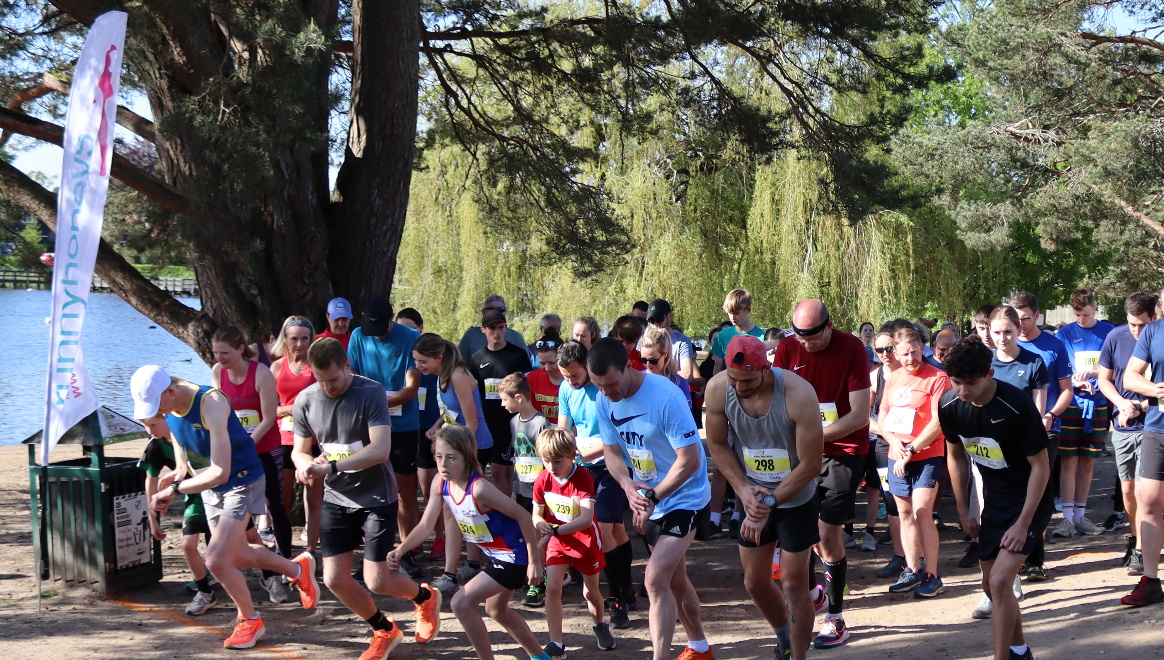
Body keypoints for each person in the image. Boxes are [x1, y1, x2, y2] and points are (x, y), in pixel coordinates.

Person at [131, 365, 318, 650]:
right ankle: (297, 568)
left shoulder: (211, 402)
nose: (159, 413)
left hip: (241, 480)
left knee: (216, 560)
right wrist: (178, 473)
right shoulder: (172, 407)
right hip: (210, 486)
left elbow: (221, 471)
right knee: (239, 555)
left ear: (170, 391)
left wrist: (175, 489)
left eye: (157, 406)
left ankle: (250, 620)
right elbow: (184, 452)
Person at [290, 337, 442, 658]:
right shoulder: (305, 400)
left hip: (376, 495)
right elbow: (299, 451)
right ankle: (384, 629)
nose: (328, 387)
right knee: (333, 579)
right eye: (321, 381)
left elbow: (380, 450)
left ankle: (424, 598)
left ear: (346, 365)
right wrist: (306, 466)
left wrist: (330, 466)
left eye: (333, 379)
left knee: (377, 580)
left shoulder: (370, 392)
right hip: (337, 497)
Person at [590, 337, 714, 660]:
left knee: (654, 578)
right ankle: (699, 646)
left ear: (629, 366)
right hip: (648, 498)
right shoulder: (604, 401)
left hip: (684, 495)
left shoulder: (665, 398)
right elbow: (611, 451)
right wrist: (629, 486)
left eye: (612, 384)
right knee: (675, 580)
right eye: (599, 386)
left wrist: (652, 496)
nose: (608, 393)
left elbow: (690, 460)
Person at [704, 335, 824, 660]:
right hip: (753, 495)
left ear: (766, 368)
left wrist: (769, 503)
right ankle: (784, 635)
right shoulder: (718, 389)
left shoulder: (798, 394)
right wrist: (745, 493)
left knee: (792, 583)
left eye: (747, 381)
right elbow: (716, 445)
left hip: (796, 497)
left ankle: (798, 656)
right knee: (755, 582)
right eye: (733, 379)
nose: (739, 387)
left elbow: (812, 464)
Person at [387, 425, 548, 660]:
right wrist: (401, 549)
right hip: (497, 556)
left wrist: (535, 562)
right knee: (496, 610)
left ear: (467, 457)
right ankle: (540, 657)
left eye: (451, 458)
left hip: (515, 556)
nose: (443, 464)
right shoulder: (440, 483)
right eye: (438, 456)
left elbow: (523, 516)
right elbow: (425, 525)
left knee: (461, 603)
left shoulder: (480, 488)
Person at [941, 336, 1053, 660]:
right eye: (957, 382)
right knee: (991, 585)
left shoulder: (1017, 405)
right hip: (995, 501)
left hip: (1031, 498)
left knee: (1002, 580)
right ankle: (1020, 650)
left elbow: (1041, 467)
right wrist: (962, 510)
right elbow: (956, 456)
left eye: (971, 383)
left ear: (989, 375)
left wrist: (1023, 523)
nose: (963, 391)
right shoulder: (949, 404)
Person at [771, 299, 870, 649]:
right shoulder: (786, 348)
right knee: (804, 531)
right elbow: (777, 400)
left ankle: (836, 618)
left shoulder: (852, 348)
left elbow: (860, 415)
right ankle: (815, 594)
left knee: (828, 536)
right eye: (801, 337)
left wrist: (815, 434)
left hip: (844, 450)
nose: (808, 344)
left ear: (829, 326)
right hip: (800, 453)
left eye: (814, 337)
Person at [210, 325, 293, 604]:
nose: (220, 358)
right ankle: (259, 570)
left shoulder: (259, 373)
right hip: (236, 451)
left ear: (240, 349)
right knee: (238, 509)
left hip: (266, 447)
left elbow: (269, 417)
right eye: (216, 353)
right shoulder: (217, 373)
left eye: (225, 353)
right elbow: (218, 414)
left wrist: (247, 445)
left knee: (275, 504)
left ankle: (288, 565)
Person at [557, 340, 635, 628]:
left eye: (575, 375)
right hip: (584, 469)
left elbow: (620, 431)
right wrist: (561, 449)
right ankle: (626, 589)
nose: (570, 381)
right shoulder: (566, 389)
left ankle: (615, 599)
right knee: (615, 531)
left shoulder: (604, 389)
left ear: (587, 368)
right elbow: (563, 428)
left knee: (601, 531)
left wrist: (593, 451)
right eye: (565, 376)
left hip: (613, 467)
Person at [346, 297, 425, 579]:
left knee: (405, 492)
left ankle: (406, 553)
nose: (376, 333)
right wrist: (371, 407)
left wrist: (376, 402)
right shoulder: (357, 335)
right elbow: (351, 376)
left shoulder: (410, 338)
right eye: (371, 327)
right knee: (369, 491)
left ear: (392, 318)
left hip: (403, 426)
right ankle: (372, 555)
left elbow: (411, 388)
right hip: (368, 427)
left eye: (381, 327)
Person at [411, 333, 494, 597]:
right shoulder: (442, 375)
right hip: (456, 447)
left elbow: (472, 422)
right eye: (416, 361)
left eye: (422, 361)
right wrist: (437, 427)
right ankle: (467, 564)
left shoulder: (457, 375)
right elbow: (450, 412)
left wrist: (454, 451)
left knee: (460, 509)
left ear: (438, 357)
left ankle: (457, 570)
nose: (418, 366)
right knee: (457, 509)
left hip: (472, 447)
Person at [879, 327, 952, 598]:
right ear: (895, 354)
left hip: (927, 455)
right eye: (904, 353)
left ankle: (932, 574)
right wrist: (893, 441)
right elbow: (883, 416)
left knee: (923, 512)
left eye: (914, 351)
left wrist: (912, 447)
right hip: (897, 457)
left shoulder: (938, 378)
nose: (910, 358)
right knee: (904, 514)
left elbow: (938, 421)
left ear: (923, 347)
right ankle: (912, 569)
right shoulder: (893, 378)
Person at [532, 428, 617, 656]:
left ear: (571, 455)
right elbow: (536, 514)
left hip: (585, 541)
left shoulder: (583, 477)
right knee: (552, 589)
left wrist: (553, 533)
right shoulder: (542, 478)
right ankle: (556, 644)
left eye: (556, 461)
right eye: (545, 461)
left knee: (590, 593)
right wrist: (540, 524)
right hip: (557, 542)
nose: (550, 467)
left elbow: (586, 519)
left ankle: (599, 624)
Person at [1012, 291, 1073, 581]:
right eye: (1015, 318)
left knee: (1040, 496)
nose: (1020, 324)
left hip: (1046, 430)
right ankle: (1014, 554)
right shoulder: (1003, 347)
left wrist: (1050, 416)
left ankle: (1034, 558)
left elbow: (1067, 390)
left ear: (1037, 316)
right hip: (1009, 433)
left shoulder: (1054, 346)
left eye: (1025, 318)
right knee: (1014, 493)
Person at [1098, 291, 1159, 576]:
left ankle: (1147, 547)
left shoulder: (1157, 336)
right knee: (1129, 489)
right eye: (1132, 324)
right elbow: (1104, 379)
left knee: (1153, 493)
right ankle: (1136, 543)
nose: (1136, 330)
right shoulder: (1115, 337)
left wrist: (1141, 404)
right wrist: (1122, 403)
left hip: (1153, 423)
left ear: (1154, 317)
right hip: (1123, 426)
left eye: (1142, 324)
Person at [1052, 289, 1114, 537]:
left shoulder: (1108, 332)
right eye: (1077, 315)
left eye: (1086, 315)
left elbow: (1114, 368)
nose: (1081, 320)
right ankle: (1067, 518)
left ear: (1095, 308)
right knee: (1068, 460)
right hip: (1072, 404)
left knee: (1088, 461)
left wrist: (1094, 375)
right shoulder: (1065, 334)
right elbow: (1061, 370)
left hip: (1098, 404)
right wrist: (1076, 383)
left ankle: (1080, 516)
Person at [138, 429, 219, 616]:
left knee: (246, 539)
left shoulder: (192, 433)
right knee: (188, 544)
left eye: (154, 423)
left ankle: (273, 575)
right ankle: (206, 592)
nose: (150, 430)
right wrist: (153, 519)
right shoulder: (155, 445)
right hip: (194, 496)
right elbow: (151, 479)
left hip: (220, 490)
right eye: (145, 424)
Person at [1118, 299, 1164, 606]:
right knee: (1148, 502)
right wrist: (1157, 390)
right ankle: (1150, 579)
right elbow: (1130, 377)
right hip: (1157, 429)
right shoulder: (1153, 331)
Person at [395, 308, 444, 562]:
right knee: (408, 490)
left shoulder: (435, 365)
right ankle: (411, 542)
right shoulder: (408, 362)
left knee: (430, 490)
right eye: (401, 328)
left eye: (411, 329)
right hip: (409, 429)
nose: (407, 334)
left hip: (433, 433)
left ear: (421, 328)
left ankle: (440, 536)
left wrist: (437, 426)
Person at [270, 316, 323, 552]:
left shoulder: (318, 366)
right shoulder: (276, 367)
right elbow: (267, 408)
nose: (299, 344)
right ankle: (283, 548)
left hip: (313, 440)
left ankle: (311, 549)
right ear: (285, 340)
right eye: (294, 339)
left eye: (304, 339)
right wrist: (289, 409)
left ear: (312, 340)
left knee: (313, 498)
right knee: (281, 499)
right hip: (284, 438)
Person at [471, 306, 534, 498]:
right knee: (485, 470)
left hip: (510, 423)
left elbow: (527, 388)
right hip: (485, 423)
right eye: (492, 328)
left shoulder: (518, 355)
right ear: (483, 330)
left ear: (506, 328)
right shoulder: (476, 359)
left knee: (499, 470)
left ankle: (506, 514)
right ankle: (500, 510)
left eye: (501, 327)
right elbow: (474, 393)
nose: (497, 332)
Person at [870, 328, 907, 578]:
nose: (885, 354)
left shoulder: (910, 373)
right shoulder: (874, 377)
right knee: (892, 501)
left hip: (913, 445)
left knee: (915, 504)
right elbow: (864, 416)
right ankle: (899, 556)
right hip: (885, 447)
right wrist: (888, 437)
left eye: (890, 348)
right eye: (880, 350)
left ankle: (920, 558)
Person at [646, 298, 703, 388]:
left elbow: (686, 375)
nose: (656, 324)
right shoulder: (644, 341)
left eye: (660, 319)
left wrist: (656, 372)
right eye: (652, 321)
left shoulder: (682, 341)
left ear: (670, 317)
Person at [458, 294, 530, 362]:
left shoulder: (516, 337)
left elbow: (527, 369)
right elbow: (458, 364)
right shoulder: (470, 336)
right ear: (484, 312)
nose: (498, 313)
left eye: (502, 309)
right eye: (494, 309)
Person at [711, 289, 767, 373]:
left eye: (736, 313)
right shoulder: (723, 335)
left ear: (748, 310)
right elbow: (718, 366)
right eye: (730, 313)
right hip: (729, 382)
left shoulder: (762, 337)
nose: (733, 317)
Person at [641, 326, 692, 407]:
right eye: (643, 360)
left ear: (665, 354)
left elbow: (684, 415)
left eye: (653, 360)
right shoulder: (637, 379)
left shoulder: (678, 382)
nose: (648, 364)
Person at [526, 330, 565, 423]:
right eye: (542, 363)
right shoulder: (532, 379)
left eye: (552, 363)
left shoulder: (572, 380)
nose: (547, 368)